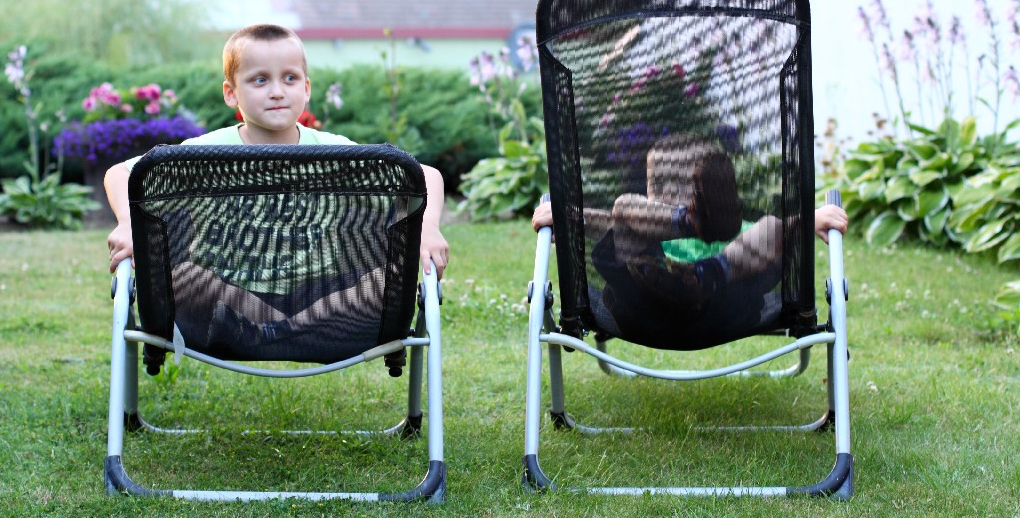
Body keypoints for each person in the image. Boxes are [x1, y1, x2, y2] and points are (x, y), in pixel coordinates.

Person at [104, 23, 450, 352]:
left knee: (384, 282)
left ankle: (275, 330)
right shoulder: (205, 152)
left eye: (290, 78)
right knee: (183, 275)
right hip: (229, 293)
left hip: (318, 293)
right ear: (230, 93)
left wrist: (428, 227)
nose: (277, 91)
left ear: (307, 89)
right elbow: (120, 173)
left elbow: (426, 175)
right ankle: (288, 328)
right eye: (260, 80)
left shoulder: (334, 151)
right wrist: (129, 223)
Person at [531, 134, 848, 337]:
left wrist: (807, 220)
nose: (669, 191)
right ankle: (687, 223)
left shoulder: (728, 228)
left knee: (772, 227)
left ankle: (706, 274)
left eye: (685, 184)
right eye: (658, 183)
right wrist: (571, 216)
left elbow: (772, 236)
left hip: (721, 301)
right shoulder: (647, 228)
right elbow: (616, 222)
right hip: (644, 299)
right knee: (624, 207)